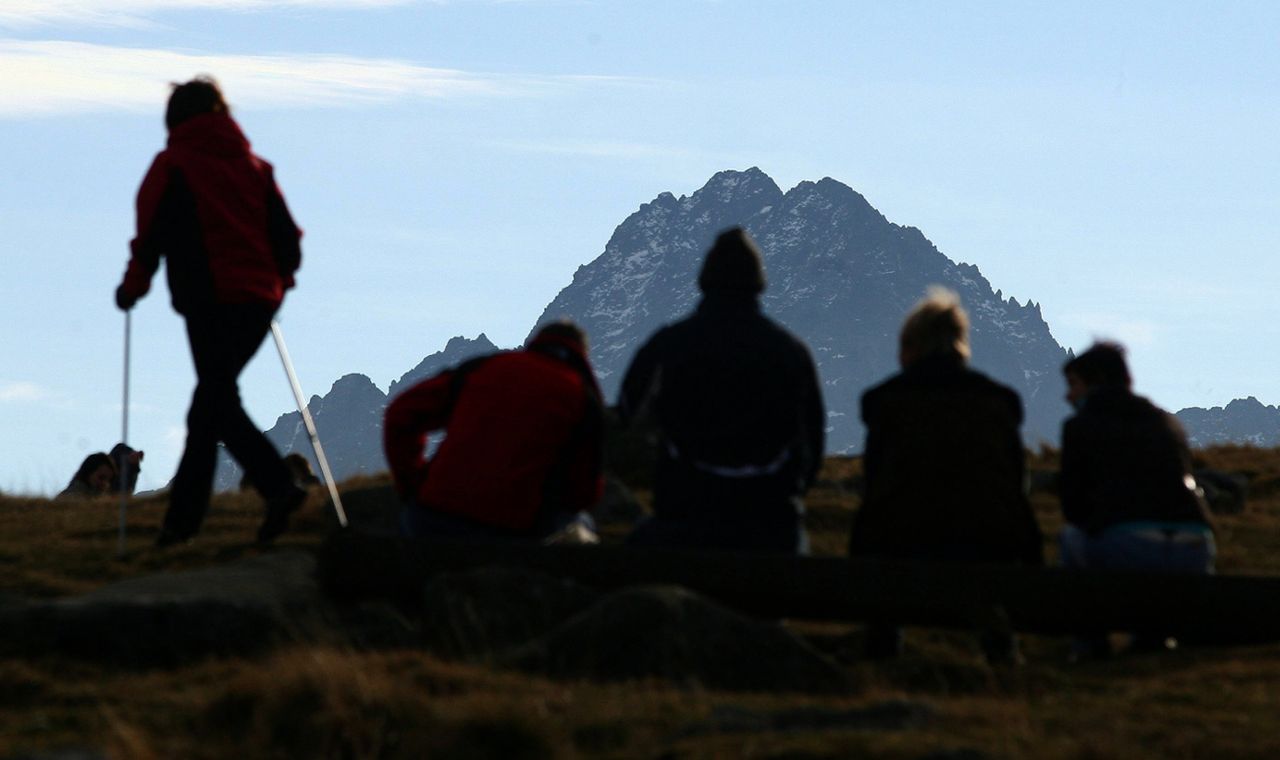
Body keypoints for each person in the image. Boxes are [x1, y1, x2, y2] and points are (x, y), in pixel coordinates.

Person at [114, 76, 307, 546]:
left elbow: (151, 236)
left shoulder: (173, 165)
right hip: (258, 302)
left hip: (209, 302)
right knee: (212, 406)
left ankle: (274, 490)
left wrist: (132, 289)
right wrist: (278, 285)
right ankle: (183, 524)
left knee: (213, 404)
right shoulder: (256, 168)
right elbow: (289, 242)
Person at [848, 288, 1042, 662]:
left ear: (910, 346)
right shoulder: (998, 402)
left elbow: (874, 487)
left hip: (901, 547)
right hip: (986, 549)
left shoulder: (886, 402)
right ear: (959, 344)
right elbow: (1016, 488)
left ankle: (881, 656)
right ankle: (1001, 659)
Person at [617, 227, 825, 553]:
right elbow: (812, 437)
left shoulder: (669, 343)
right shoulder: (790, 351)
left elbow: (627, 413)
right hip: (770, 522)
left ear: (705, 277)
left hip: (684, 516)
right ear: (758, 280)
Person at [1059, 342, 1215, 655]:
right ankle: (1151, 639)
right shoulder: (1166, 422)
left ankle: (1090, 645)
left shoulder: (1080, 426)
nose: (1068, 395)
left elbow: (1073, 507)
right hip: (1195, 549)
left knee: (1072, 538)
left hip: (1131, 546)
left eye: (1074, 384)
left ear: (1095, 382)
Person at [383, 321, 604, 540]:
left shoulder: (484, 367)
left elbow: (401, 413)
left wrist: (413, 484)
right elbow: (583, 490)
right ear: (582, 355)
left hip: (435, 516)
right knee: (582, 524)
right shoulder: (581, 396)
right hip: (510, 530)